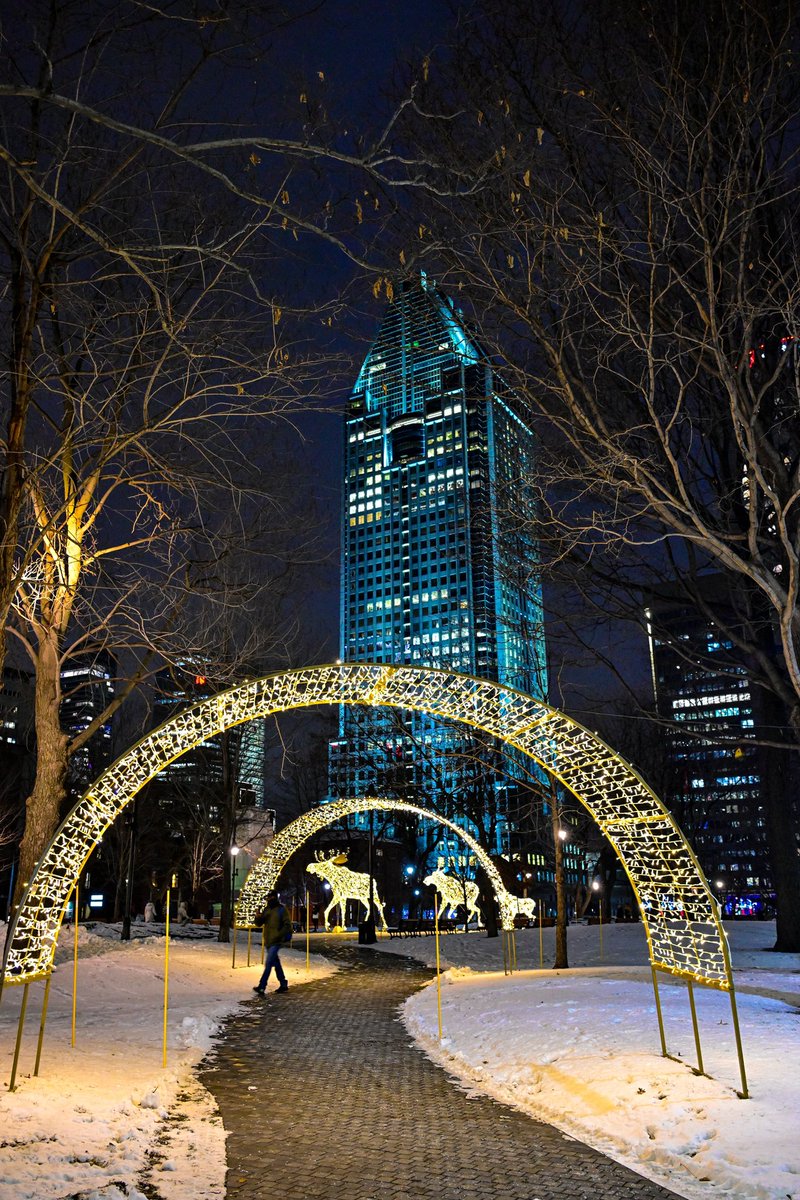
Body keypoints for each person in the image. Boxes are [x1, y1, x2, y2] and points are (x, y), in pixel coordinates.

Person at [253, 890, 292, 995]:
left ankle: (262, 986)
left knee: (269, 963)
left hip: (276, 941)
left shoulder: (281, 909)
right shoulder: (267, 909)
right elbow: (259, 924)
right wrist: (258, 916)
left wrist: (279, 935)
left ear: (275, 897)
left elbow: (288, 925)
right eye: (268, 897)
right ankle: (283, 984)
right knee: (276, 963)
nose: (269, 899)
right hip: (268, 941)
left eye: (270, 897)